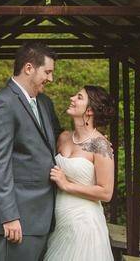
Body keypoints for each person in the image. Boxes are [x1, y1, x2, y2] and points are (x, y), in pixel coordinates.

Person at [0, 42, 62, 261]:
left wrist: (93, 143)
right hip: (18, 220)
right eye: (47, 72)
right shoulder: (2, 104)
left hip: (42, 217)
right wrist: (9, 216)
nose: (50, 79)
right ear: (28, 68)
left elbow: (57, 140)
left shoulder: (45, 103)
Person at [44, 85, 115, 261]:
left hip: (85, 223)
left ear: (89, 111)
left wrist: (66, 185)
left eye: (79, 97)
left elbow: (106, 193)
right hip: (60, 223)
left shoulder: (101, 145)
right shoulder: (64, 137)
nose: (72, 98)